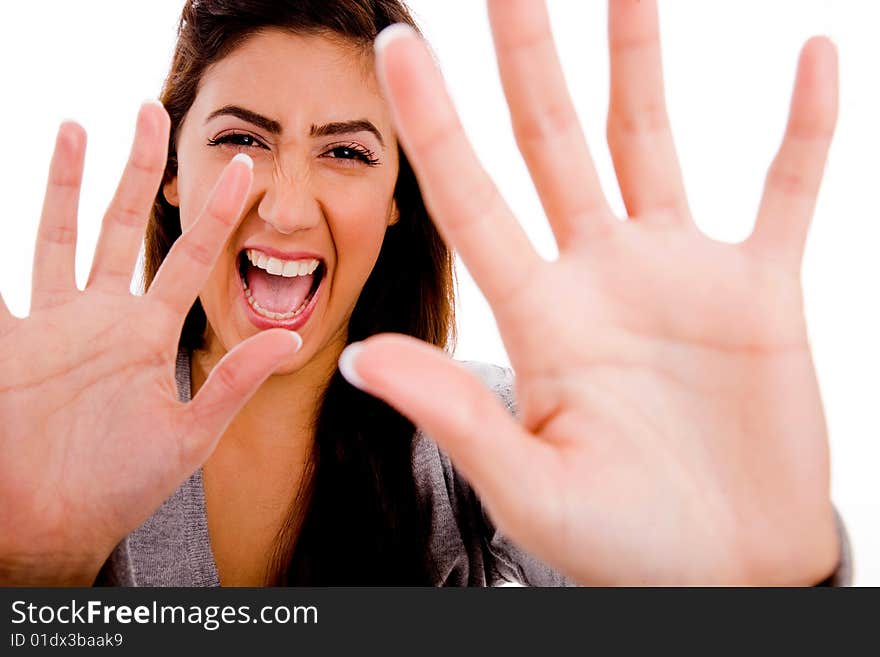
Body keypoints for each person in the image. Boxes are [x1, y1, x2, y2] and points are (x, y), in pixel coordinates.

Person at [0, 0, 848, 586]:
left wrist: (766, 590)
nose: (286, 207)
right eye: (240, 138)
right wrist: (25, 572)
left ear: (397, 196)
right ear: (173, 171)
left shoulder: (503, 438)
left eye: (346, 152)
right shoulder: (52, 442)